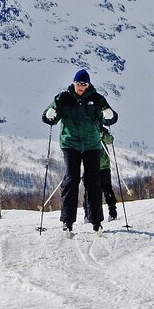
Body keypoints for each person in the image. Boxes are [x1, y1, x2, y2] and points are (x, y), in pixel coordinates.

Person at [42, 69, 118, 236]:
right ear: (74, 83)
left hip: (92, 145)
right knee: (71, 179)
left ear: (88, 84)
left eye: (84, 84)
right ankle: (67, 222)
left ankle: (96, 222)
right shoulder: (63, 98)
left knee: (93, 182)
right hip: (71, 144)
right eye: (78, 83)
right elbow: (49, 118)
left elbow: (111, 119)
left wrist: (109, 115)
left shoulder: (97, 99)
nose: (81, 87)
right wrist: (49, 115)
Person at [83, 128, 118, 223]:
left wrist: (102, 135)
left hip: (103, 166)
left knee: (107, 190)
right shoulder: (83, 127)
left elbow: (110, 140)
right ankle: (88, 214)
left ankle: (112, 213)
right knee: (88, 192)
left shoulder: (101, 129)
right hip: (89, 166)